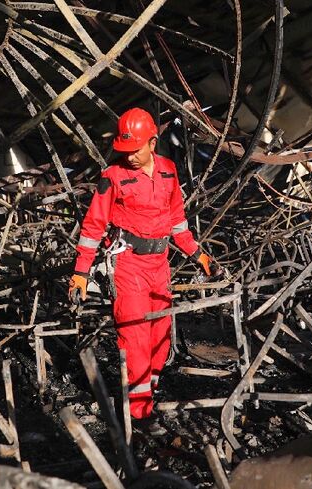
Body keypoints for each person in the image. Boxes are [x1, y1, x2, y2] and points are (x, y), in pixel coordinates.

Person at [68, 107, 213, 434]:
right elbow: (92, 227)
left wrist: (198, 255)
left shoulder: (168, 171)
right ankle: (140, 414)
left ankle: (148, 389)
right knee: (134, 338)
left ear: (152, 143)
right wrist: (81, 272)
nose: (129, 156)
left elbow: (177, 222)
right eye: (123, 150)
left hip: (159, 264)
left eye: (134, 149)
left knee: (161, 335)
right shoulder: (112, 177)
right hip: (128, 264)